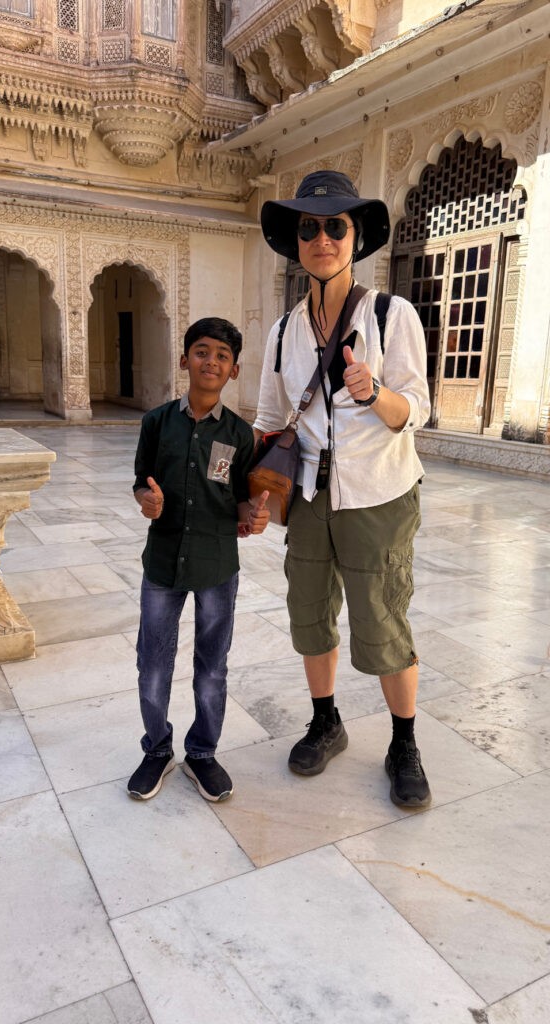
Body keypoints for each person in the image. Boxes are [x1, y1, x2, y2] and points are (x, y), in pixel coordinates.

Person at [254, 170, 432, 808]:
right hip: (308, 495)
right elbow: (269, 417)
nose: (322, 238)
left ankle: (404, 743)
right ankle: (326, 721)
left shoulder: (391, 314)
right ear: (296, 241)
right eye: (309, 227)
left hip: (377, 495)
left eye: (336, 226)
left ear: (355, 238)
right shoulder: (284, 331)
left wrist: (373, 392)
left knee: (382, 619)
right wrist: (252, 491)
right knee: (309, 614)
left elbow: (417, 409)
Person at [128, 317, 270, 803]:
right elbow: (141, 483)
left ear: (234, 370)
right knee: (152, 663)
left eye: (223, 356)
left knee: (212, 666)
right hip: (163, 562)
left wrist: (254, 515)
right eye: (202, 351)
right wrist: (147, 502)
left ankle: (203, 753)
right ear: (185, 359)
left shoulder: (240, 435)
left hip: (216, 565)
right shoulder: (156, 423)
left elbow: (241, 501)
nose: (212, 361)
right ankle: (157, 750)